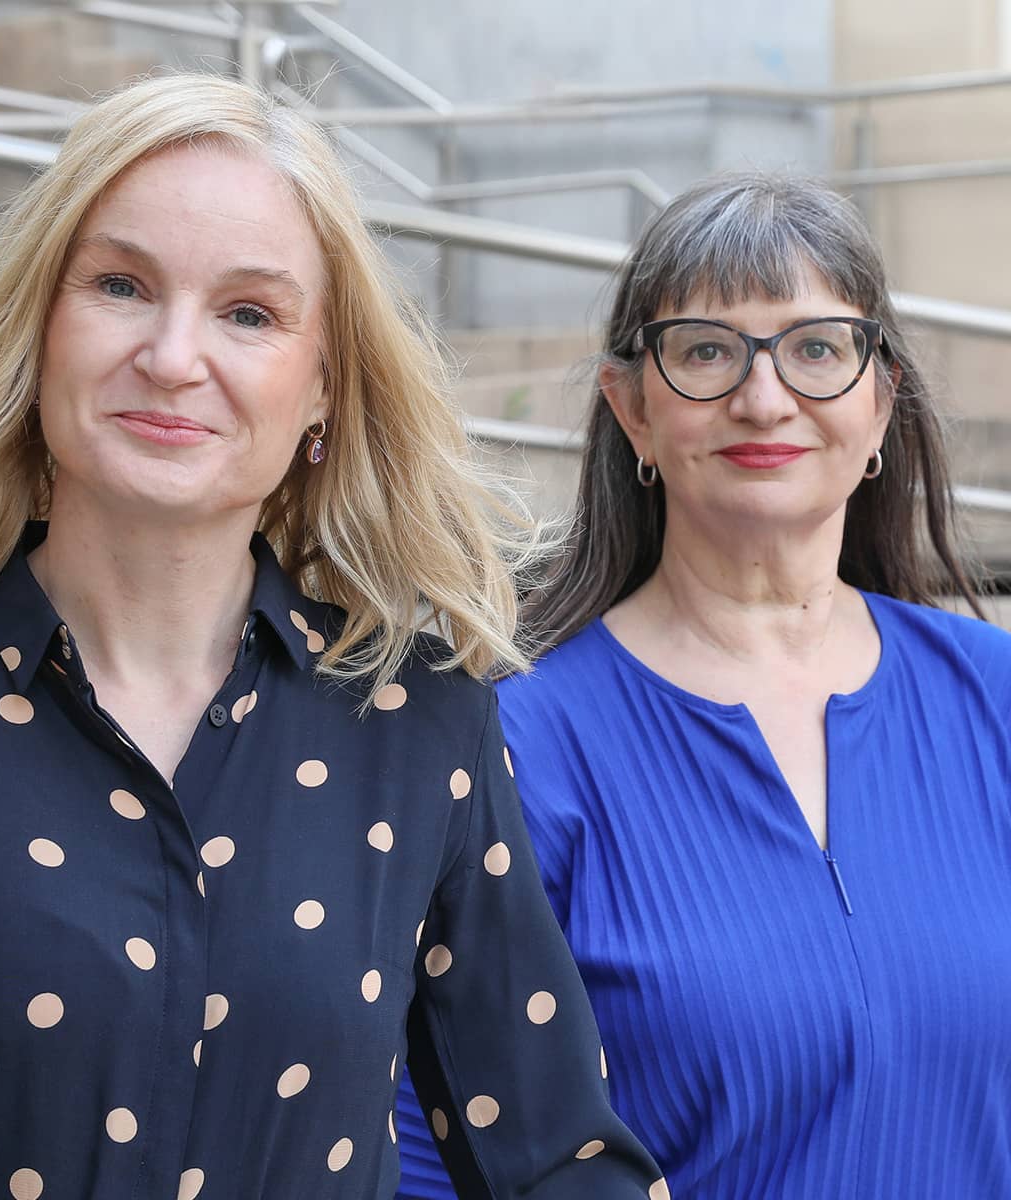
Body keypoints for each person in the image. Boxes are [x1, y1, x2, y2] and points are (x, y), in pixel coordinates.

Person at [0, 75, 667, 1199]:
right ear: (40, 332)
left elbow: (553, 1159)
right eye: (121, 285)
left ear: (320, 391)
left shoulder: (419, 724)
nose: (173, 356)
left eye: (249, 312)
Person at [395, 172, 1011, 1200]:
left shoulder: (993, 697)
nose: (763, 398)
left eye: (817, 348)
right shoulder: (517, 742)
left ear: (881, 399)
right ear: (632, 408)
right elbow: (432, 1151)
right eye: (707, 352)